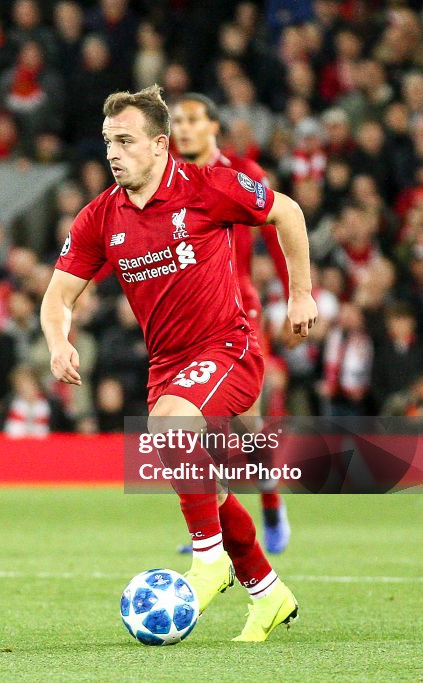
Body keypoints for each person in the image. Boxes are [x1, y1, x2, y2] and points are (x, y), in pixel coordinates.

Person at [41, 86, 316, 642]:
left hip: (230, 348)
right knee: (207, 487)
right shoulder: (101, 217)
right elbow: (57, 297)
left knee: (170, 425)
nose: (113, 153)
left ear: (161, 145)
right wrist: (58, 341)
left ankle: (210, 562)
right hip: (167, 368)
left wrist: (301, 293)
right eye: (107, 142)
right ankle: (267, 593)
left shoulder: (208, 187)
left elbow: (287, 211)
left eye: (126, 141)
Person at [171, 92, 293, 553]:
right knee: (195, 422)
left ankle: (271, 506)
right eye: (176, 121)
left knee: (246, 420)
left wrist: (296, 296)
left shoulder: (242, 175)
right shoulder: (169, 179)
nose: (183, 128)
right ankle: (212, 527)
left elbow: (281, 227)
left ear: (213, 126)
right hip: (188, 314)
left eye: (192, 119)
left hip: (238, 306)